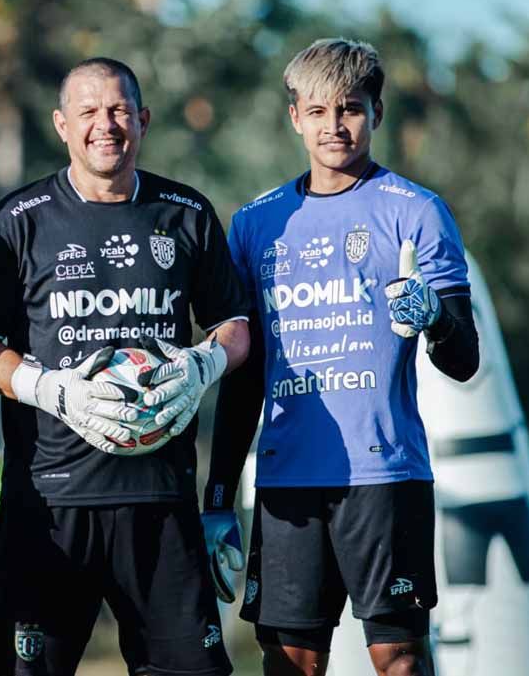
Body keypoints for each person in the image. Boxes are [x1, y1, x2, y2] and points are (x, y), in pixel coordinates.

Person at [202, 38, 480, 676]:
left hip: (386, 479)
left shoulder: (417, 212)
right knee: (290, 663)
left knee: (401, 660)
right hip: (287, 481)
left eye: (351, 108)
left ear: (376, 112)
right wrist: (218, 494)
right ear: (294, 116)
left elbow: (463, 360)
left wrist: (434, 317)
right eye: (319, 111)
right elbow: (244, 376)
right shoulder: (255, 224)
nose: (335, 126)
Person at [0, 58, 251, 676]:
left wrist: (204, 363)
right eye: (90, 113)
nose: (107, 125)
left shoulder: (187, 214)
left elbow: (237, 329)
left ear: (143, 120)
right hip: (49, 501)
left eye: (120, 110)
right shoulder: (17, 221)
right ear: (61, 125)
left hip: (161, 500)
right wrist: (50, 390)